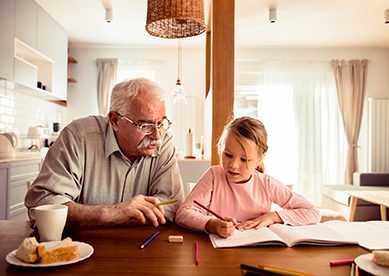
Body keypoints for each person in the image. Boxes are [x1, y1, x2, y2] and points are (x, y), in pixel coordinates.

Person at [25, 78, 185, 230]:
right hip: (78, 248)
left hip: (142, 248)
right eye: (145, 125)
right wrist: (110, 213)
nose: (157, 135)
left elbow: (173, 204)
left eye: (160, 123)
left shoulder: (163, 142)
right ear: (115, 120)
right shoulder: (78, 137)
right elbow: (43, 205)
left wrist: (129, 215)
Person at [175, 116, 320, 238]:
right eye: (228, 155)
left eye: (244, 159)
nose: (233, 165)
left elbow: (313, 212)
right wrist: (213, 225)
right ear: (221, 149)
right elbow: (183, 214)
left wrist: (272, 217)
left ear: (260, 159)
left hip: (258, 252)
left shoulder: (267, 183)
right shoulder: (214, 176)